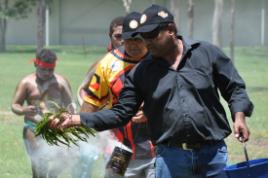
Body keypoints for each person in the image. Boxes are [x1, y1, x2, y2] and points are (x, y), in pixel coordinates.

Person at [50, 4, 254, 178]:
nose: (145, 42)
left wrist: (239, 115)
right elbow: (119, 112)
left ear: (171, 29)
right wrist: (76, 119)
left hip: (209, 156)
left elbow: (234, 87)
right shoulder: (138, 71)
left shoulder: (206, 53)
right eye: (141, 36)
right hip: (154, 156)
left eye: (150, 35)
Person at [80, 12, 155, 178]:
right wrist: (78, 128)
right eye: (129, 39)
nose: (133, 44)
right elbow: (91, 103)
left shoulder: (160, 59)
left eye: (138, 39)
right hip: (119, 150)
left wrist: (150, 111)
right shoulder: (108, 64)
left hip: (156, 150)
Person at [11, 49, 74, 178]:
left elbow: (71, 106)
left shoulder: (61, 82)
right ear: (36, 64)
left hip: (57, 126)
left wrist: (69, 118)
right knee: (39, 164)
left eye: (50, 70)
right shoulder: (26, 83)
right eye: (43, 69)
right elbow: (14, 105)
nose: (47, 73)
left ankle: (52, 175)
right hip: (33, 127)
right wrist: (23, 110)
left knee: (67, 158)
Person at [77, 16, 125, 106]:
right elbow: (82, 90)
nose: (123, 41)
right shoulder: (103, 63)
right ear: (110, 36)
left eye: (126, 36)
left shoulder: (141, 61)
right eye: (118, 36)